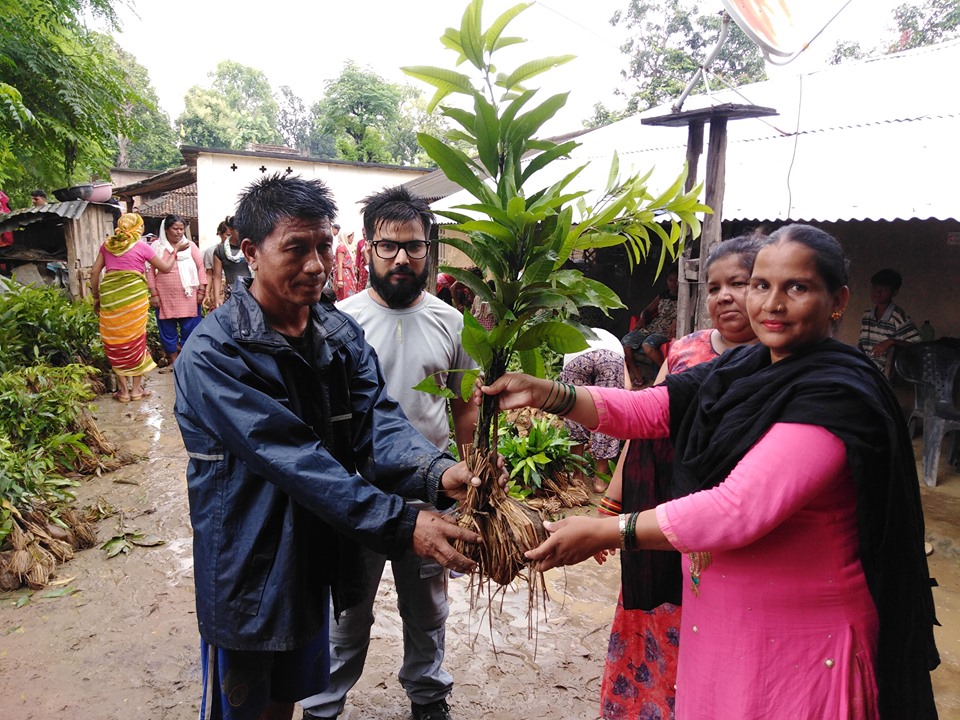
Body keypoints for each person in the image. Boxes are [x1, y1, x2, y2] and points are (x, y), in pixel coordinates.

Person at [479, 224, 940, 719]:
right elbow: (652, 410)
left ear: (837, 300)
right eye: (762, 285)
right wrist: (546, 392)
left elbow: (737, 508)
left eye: (797, 287)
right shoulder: (741, 368)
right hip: (720, 625)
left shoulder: (837, 393)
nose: (772, 303)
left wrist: (606, 531)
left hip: (803, 641)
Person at [174, 173, 496, 720]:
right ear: (250, 252)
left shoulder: (337, 334)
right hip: (249, 564)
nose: (318, 265)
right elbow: (296, 460)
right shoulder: (215, 354)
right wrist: (402, 523)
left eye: (325, 245)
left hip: (312, 555)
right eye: (296, 249)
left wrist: (440, 472)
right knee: (244, 707)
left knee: (288, 698)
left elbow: (377, 422)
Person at [302, 186, 477, 720]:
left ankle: (428, 698)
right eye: (389, 246)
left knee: (427, 608)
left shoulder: (451, 320)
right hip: (358, 493)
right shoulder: (339, 322)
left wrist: (469, 482)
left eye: (415, 246)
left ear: (430, 250)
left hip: (433, 492)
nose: (402, 258)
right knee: (347, 610)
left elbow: (465, 405)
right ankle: (322, 704)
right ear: (369, 250)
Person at [596, 235, 761, 719]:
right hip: (660, 515)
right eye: (714, 287)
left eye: (741, 283)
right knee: (655, 618)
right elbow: (643, 424)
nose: (724, 296)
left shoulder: (781, 366)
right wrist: (612, 503)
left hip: (728, 525)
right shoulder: (686, 349)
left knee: (717, 630)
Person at [89, 213, 188, 401]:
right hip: (135, 300)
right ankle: (135, 391)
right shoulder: (142, 246)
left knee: (115, 342)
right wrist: (175, 251)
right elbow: (165, 268)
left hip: (111, 299)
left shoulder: (107, 245)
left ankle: (123, 392)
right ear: (138, 228)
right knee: (136, 341)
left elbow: (95, 272)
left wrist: (96, 297)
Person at [559, 310, 625, 493]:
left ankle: (577, 476)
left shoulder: (580, 336)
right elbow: (625, 386)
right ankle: (599, 480)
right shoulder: (613, 341)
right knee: (607, 413)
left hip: (576, 358)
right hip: (610, 358)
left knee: (575, 413)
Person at [145, 214, 206, 365]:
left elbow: (200, 268)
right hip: (164, 296)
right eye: (175, 228)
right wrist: (153, 294)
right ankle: (174, 360)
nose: (179, 232)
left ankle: (187, 359)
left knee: (191, 328)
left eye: (181, 229)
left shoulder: (190, 246)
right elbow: (150, 272)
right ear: (166, 230)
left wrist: (201, 291)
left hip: (188, 295)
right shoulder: (157, 247)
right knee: (167, 331)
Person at [858, 267, 921, 378]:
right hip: (867, 369)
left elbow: (917, 345)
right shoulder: (867, 315)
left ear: (894, 293)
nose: (877, 293)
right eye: (875, 288)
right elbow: (862, 345)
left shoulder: (897, 316)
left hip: (886, 375)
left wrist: (891, 341)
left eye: (884, 290)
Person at [210, 215, 252, 308]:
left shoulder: (251, 248)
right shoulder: (220, 250)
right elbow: (217, 276)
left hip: (251, 292)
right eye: (239, 230)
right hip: (231, 295)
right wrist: (217, 298)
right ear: (230, 229)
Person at [203, 219, 230, 311]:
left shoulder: (240, 252)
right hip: (217, 288)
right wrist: (207, 292)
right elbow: (209, 273)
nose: (230, 238)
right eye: (228, 235)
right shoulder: (211, 251)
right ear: (220, 234)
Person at [333, 230, 358, 300]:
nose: (352, 239)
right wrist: (340, 280)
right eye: (352, 237)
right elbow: (339, 264)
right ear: (346, 237)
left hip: (348, 275)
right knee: (346, 296)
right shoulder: (341, 248)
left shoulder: (346, 248)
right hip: (344, 277)